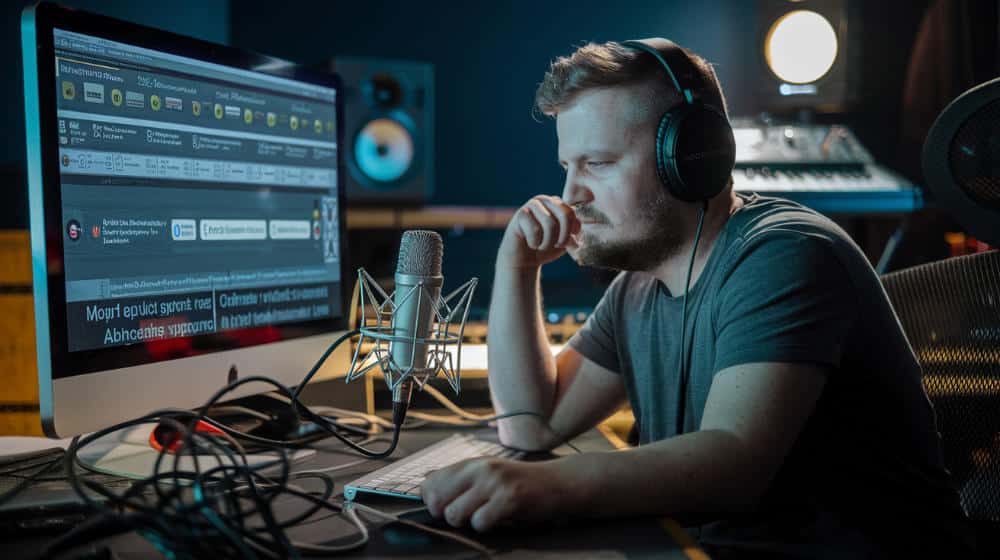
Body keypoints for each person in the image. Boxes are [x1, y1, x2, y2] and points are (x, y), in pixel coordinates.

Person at [421, 39, 973, 557]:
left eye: (599, 163)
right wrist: (514, 267)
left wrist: (540, 486)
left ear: (690, 157)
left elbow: (734, 463)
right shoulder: (637, 287)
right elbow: (529, 425)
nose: (570, 195)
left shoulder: (784, 255)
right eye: (568, 166)